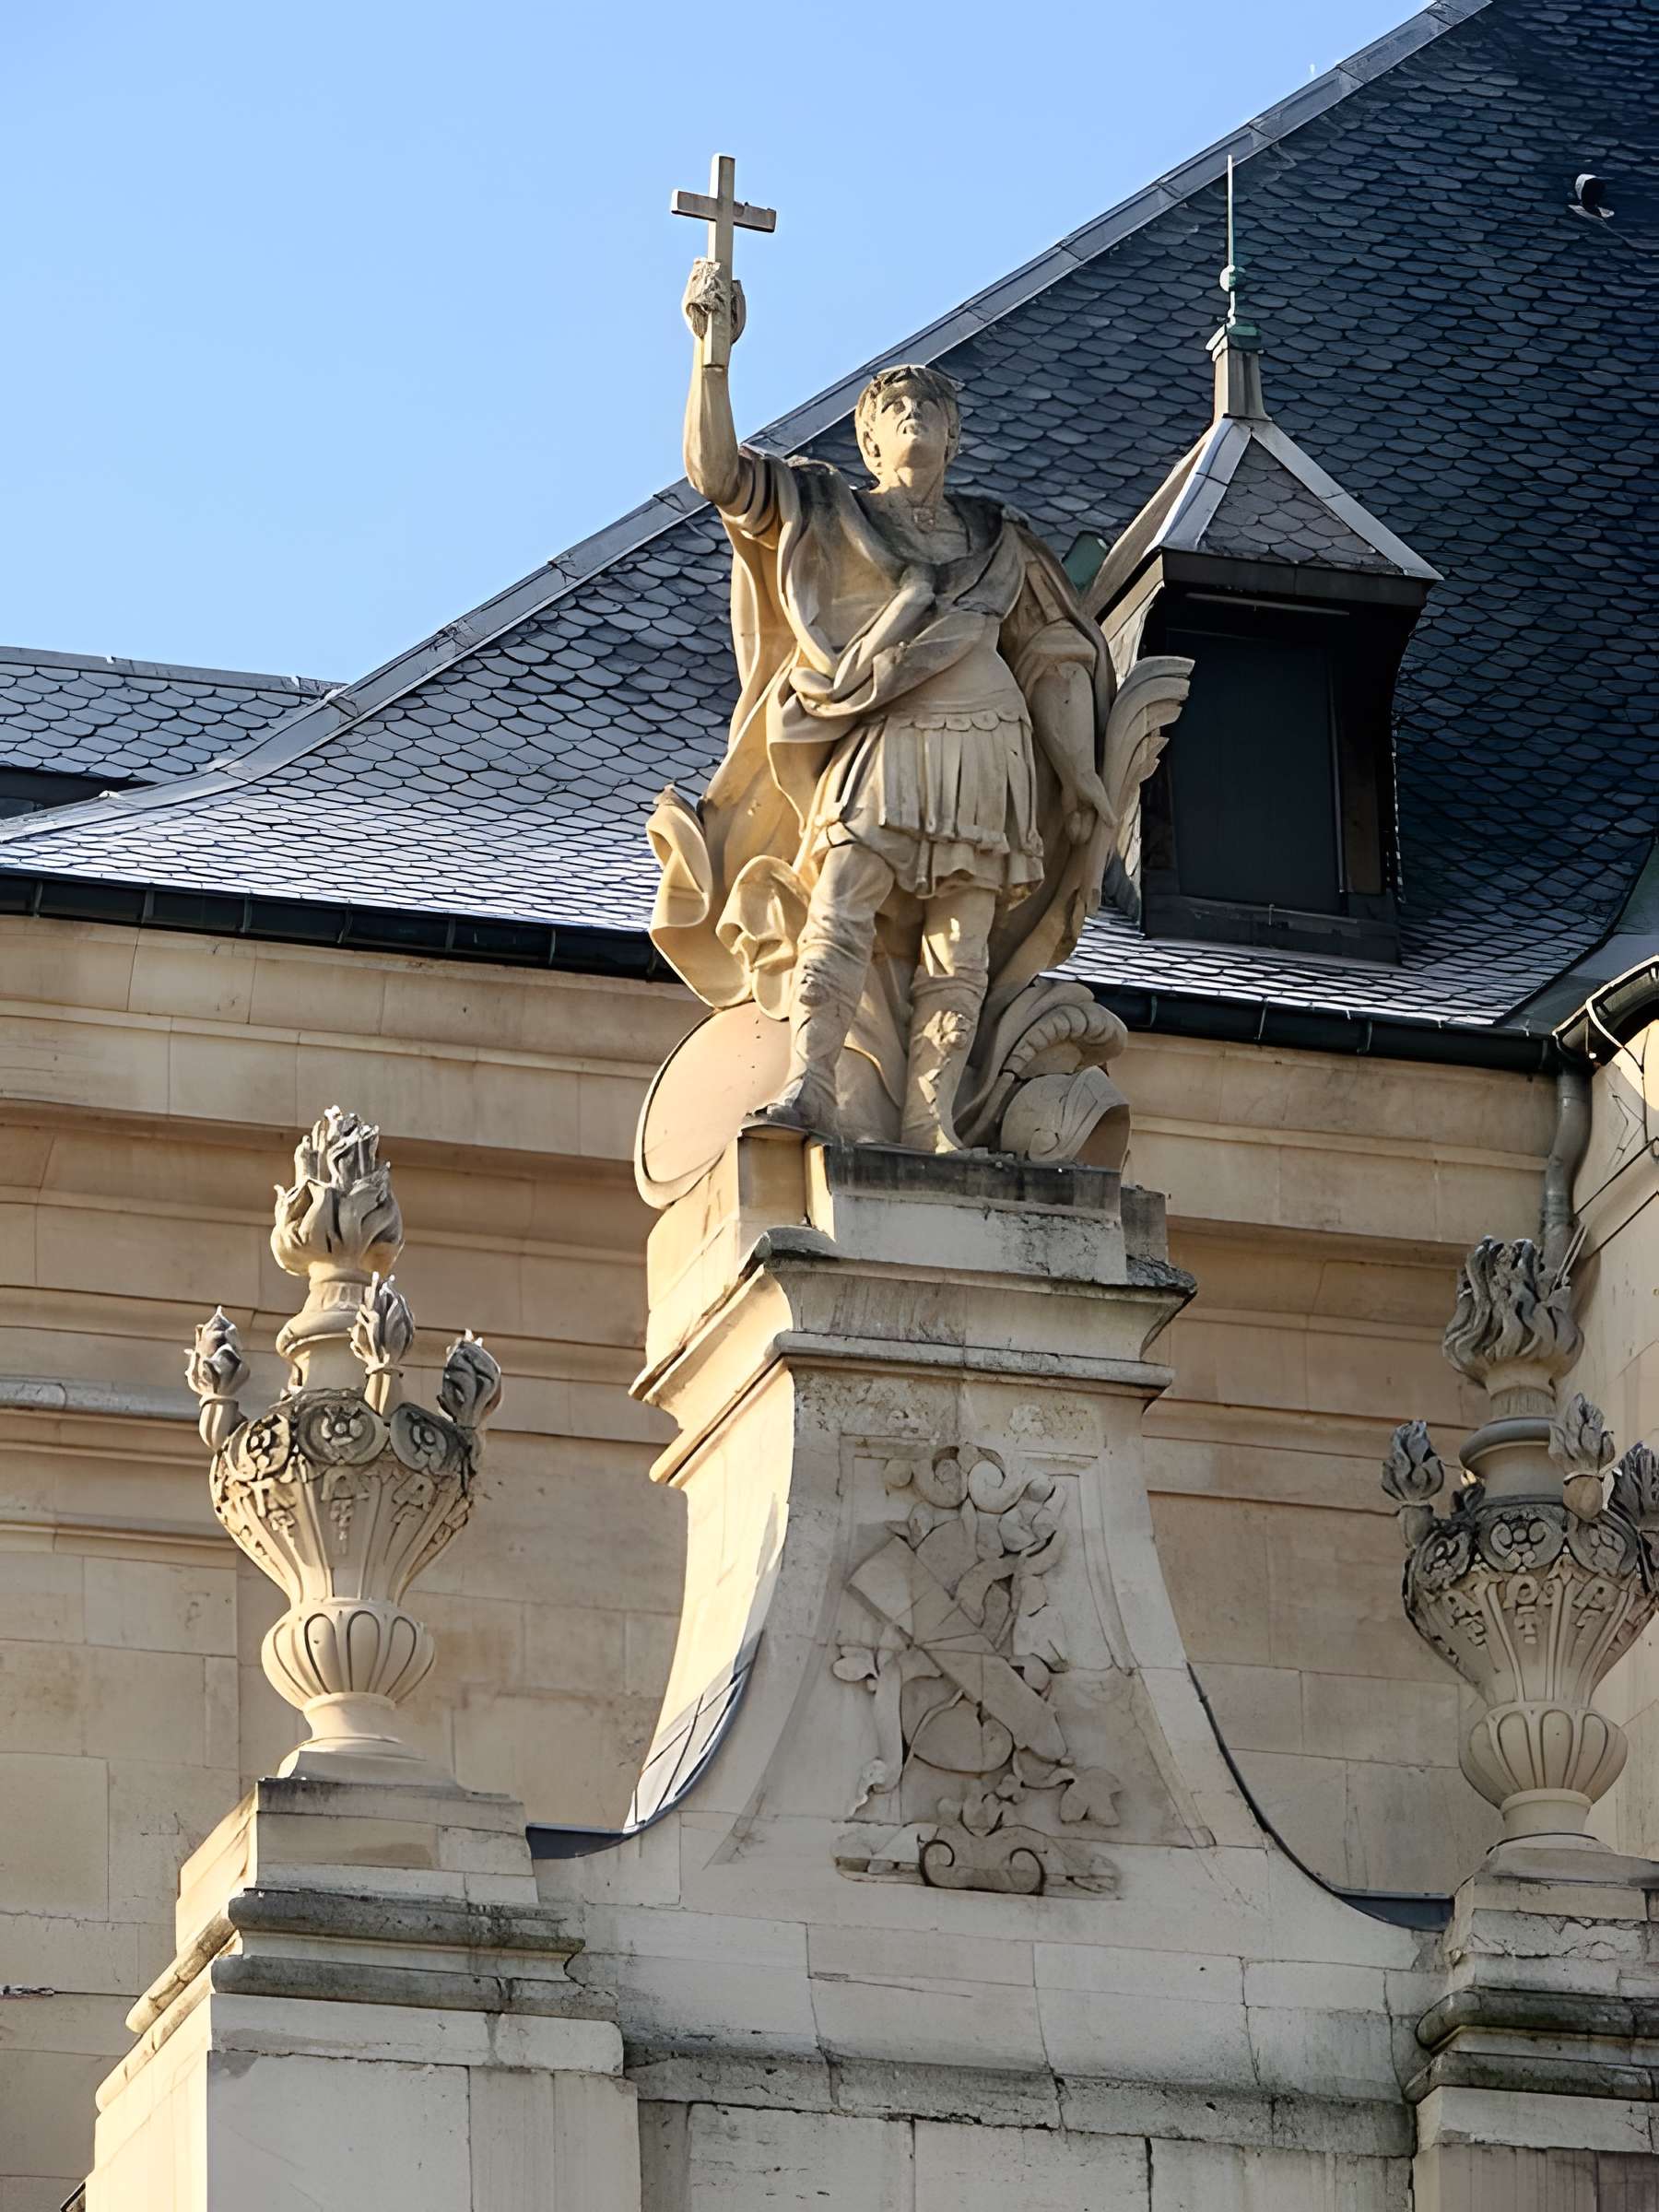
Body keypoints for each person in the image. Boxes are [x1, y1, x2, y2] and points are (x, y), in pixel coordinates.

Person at [647, 256, 1116, 1153]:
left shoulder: (997, 539)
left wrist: (1082, 772)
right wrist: (713, 354)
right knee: (841, 899)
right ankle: (811, 1084)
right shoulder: (827, 510)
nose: (914, 418)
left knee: (961, 945)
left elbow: (1056, 656)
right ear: (867, 443)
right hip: (881, 739)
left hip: (988, 747)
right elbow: (717, 474)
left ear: (955, 437)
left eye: (930, 408)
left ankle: (932, 1118)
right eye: (894, 410)